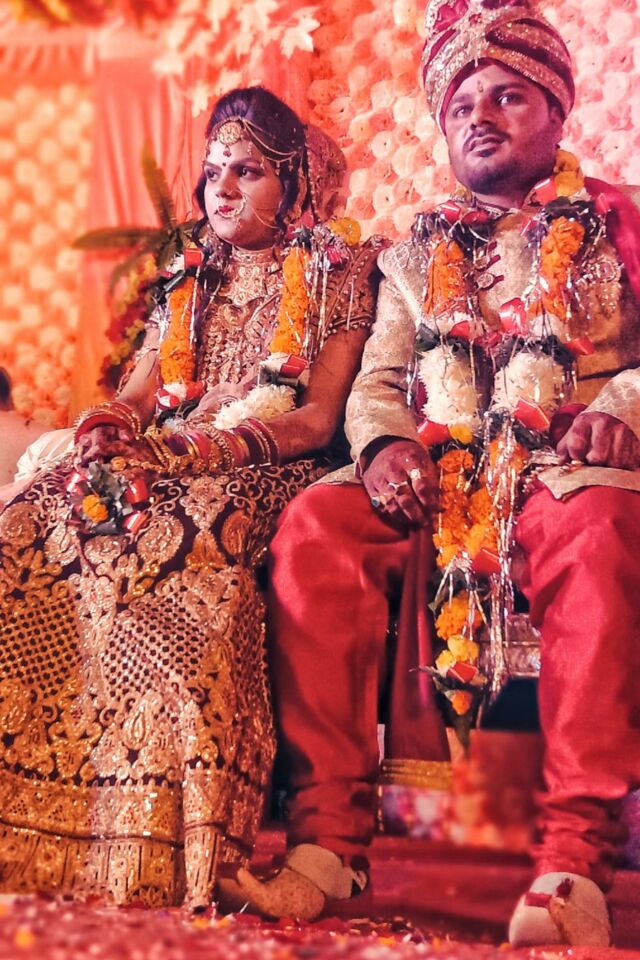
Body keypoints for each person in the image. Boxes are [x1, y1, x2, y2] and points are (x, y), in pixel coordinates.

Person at [229, 2, 640, 946]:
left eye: (508, 97)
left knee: (601, 533)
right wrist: (382, 447)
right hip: (440, 468)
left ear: (559, 111)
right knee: (316, 527)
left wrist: (621, 413)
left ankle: (573, 864)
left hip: (565, 462)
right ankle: (327, 844)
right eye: (461, 106)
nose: (479, 117)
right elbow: (379, 379)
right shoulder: (415, 250)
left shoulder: (617, 222)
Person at [0, 86, 384, 909]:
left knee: (182, 527)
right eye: (213, 172)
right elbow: (142, 391)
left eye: (248, 171)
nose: (223, 189)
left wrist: (201, 451)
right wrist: (108, 426)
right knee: (30, 514)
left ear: (295, 184)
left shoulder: (338, 267)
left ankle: (162, 834)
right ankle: (33, 810)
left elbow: (318, 418)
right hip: (167, 454)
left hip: (266, 462)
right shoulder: (190, 272)